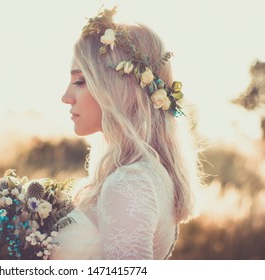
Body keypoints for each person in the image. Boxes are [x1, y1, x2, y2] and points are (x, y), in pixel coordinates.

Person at [50, 7, 201, 260]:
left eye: (79, 81)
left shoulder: (130, 183)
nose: (66, 97)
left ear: (117, 88)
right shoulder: (137, 173)